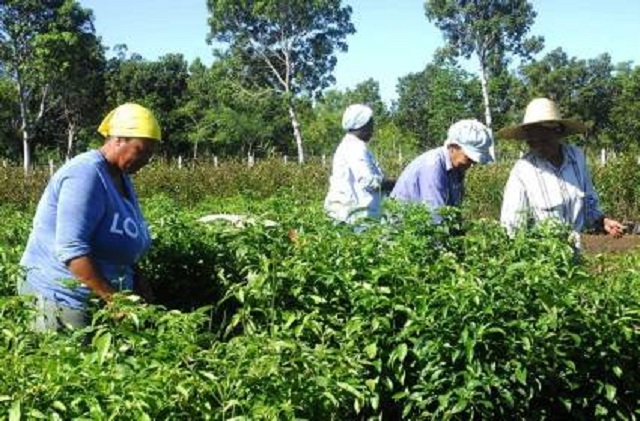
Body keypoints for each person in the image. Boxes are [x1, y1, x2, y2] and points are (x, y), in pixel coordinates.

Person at [19, 103, 160, 331]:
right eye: (141, 150)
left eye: (150, 154)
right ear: (118, 140)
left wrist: (137, 278)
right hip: (62, 299)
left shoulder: (121, 176)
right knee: (70, 365)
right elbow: (72, 249)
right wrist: (115, 301)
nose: (146, 159)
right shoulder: (85, 174)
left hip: (99, 298)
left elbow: (120, 235)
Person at [498, 97, 623, 245]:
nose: (539, 147)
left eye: (544, 140)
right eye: (532, 142)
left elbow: (588, 200)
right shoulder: (523, 171)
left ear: (558, 133)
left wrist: (603, 221)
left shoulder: (576, 158)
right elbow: (512, 225)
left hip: (574, 257)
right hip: (544, 259)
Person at [390, 119, 494, 223]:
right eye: (469, 158)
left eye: (474, 161)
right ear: (453, 147)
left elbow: (454, 210)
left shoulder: (456, 169)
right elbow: (435, 216)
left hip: (421, 228)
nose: (471, 165)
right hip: (402, 231)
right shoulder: (432, 167)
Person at [324, 104, 389, 224]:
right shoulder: (355, 147)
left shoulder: (352, 145)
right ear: (362, 124)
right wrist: (392, 184)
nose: (372, 128)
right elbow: (368, 181)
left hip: (352, 214)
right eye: (371, 123)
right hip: (351, 216)